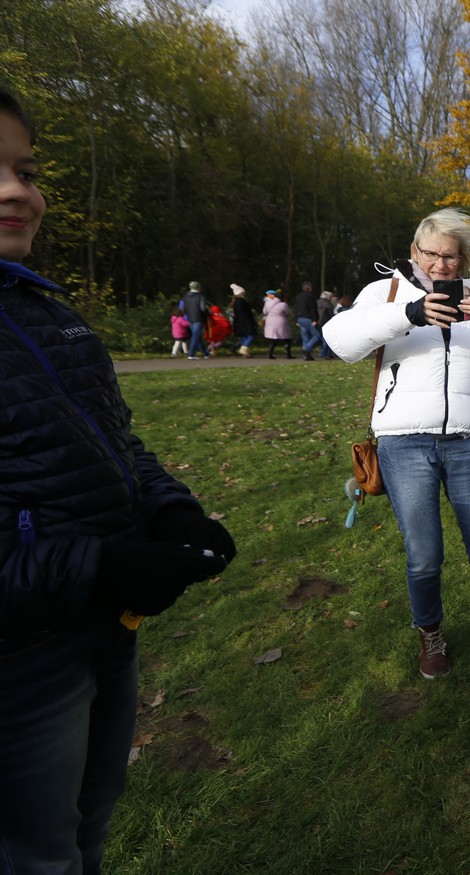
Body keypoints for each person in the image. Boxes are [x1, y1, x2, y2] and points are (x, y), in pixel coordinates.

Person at [0, 87, 236, 873]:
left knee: (88, 826)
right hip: (21, 658)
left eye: (26, 171)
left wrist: (172, 511)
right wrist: (97, 567)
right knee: (37, 855)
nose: (17, 191)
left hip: (104, 629)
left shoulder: (46, 310)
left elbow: (115, 437)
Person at [323, 207, 470, 677]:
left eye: (450, 256)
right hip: (404, 443)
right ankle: (430, 635)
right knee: (423, 555)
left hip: (468, 441)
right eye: (431, 253)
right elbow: (340, 341)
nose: (440, 264)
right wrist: (408, 314)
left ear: (464, 258)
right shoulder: (386, 292)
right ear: (415, 251)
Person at [182, 280, 210, 359]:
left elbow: (184, 309)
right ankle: (191, 354)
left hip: (190, 318)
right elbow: (203, 308)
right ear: (198, 287)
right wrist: (208, 313)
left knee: (196, 335)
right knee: (196, 335)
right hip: (199, 317)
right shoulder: (201, 296)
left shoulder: (186, 297)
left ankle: (205, 353)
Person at [294, 280, 322, 360]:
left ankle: (307, 355)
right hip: (308, 318)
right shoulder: (310, 297)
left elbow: (296, 308)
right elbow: (313, 309)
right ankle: (307, 349)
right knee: (317, 336)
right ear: (309, 288)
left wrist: (296, 319)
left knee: (305, 337)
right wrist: (315, 319)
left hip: (300, 318)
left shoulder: (298, 297)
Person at [263, 289, 294, 359]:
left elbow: (264, 312)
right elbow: (288, 313)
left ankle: (270, 353)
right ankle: (288, 354)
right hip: (281, 322)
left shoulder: (267, 303)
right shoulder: (283, 304)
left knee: (273, 339)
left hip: (269, 321)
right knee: (287, 338)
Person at [230, 284, 257, 358]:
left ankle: (246, 353)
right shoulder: (242, 301)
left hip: (238, 322)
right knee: (251, 336)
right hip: (245, 321)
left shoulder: (235, 302)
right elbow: (246, 313)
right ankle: (244, 349)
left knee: (243, 337)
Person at [317, 290, 338, 359]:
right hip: (327, 322)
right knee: (328, 339)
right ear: (327, 297)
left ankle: (324, 353)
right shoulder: (328, 305)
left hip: (319, 322)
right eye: (330, 297)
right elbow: (331, 315)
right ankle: (326, 354)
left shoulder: (317, 302)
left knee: (323, 338)